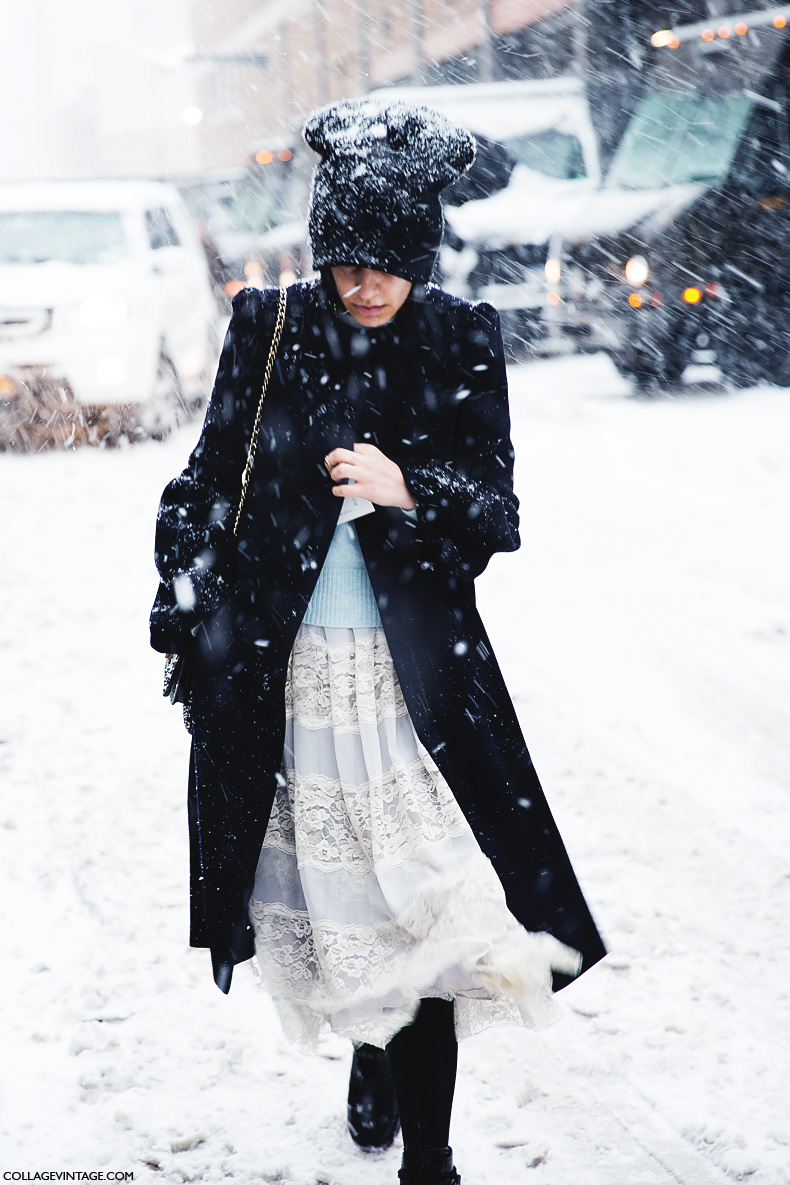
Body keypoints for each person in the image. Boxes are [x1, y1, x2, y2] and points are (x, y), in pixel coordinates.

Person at [150, 99, 606, 1185]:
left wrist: (410, 489)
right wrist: (182, 575)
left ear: (424, 256)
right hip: (289, 675)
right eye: (346, 261)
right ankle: (375, 1052)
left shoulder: (458, 336)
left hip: (415, 686)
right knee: (339, 900)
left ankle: (430, 1165)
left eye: (388, 264)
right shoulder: (268, 329)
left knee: (427, 919)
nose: (365, 285)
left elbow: (495, 514)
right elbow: (205, 480)